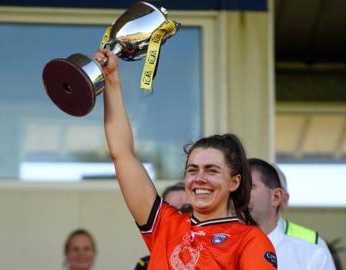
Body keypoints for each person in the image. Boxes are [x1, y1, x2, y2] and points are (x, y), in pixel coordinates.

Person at [94, 48, 277, 270]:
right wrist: (112, 80)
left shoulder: (250, 240)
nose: (199, 178)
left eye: (211, 170)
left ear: (234, 182)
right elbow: (121, 152)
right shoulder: (165, 226)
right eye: (193, 170)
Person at [248, 158, 335, 270]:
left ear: (276, 197)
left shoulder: (313, 254)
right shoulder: (222, 249)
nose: (239, 196)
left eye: (250, 187)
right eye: (236, 188)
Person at [135, 182, 192, 270]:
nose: (180, 214)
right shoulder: (145, 264)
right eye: (171, 211)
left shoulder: (215, 253)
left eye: (188, 208)